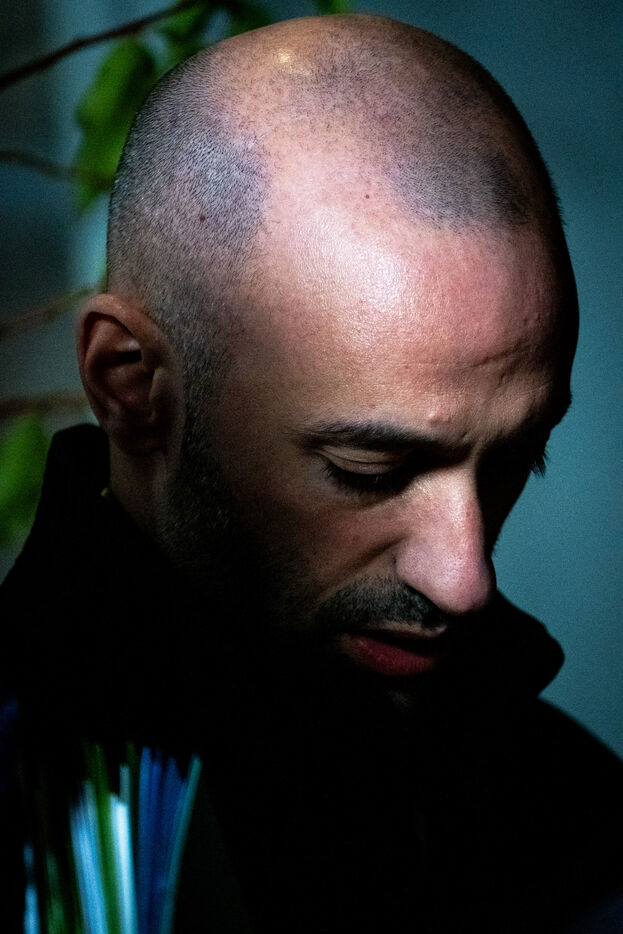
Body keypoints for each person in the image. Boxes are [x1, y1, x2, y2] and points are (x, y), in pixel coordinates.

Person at [1, 13, 622, 934]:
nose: (465, 579)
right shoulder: (40, 824)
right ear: (130, 386)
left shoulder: (568, 811)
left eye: (515, 457)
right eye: (367, 468)